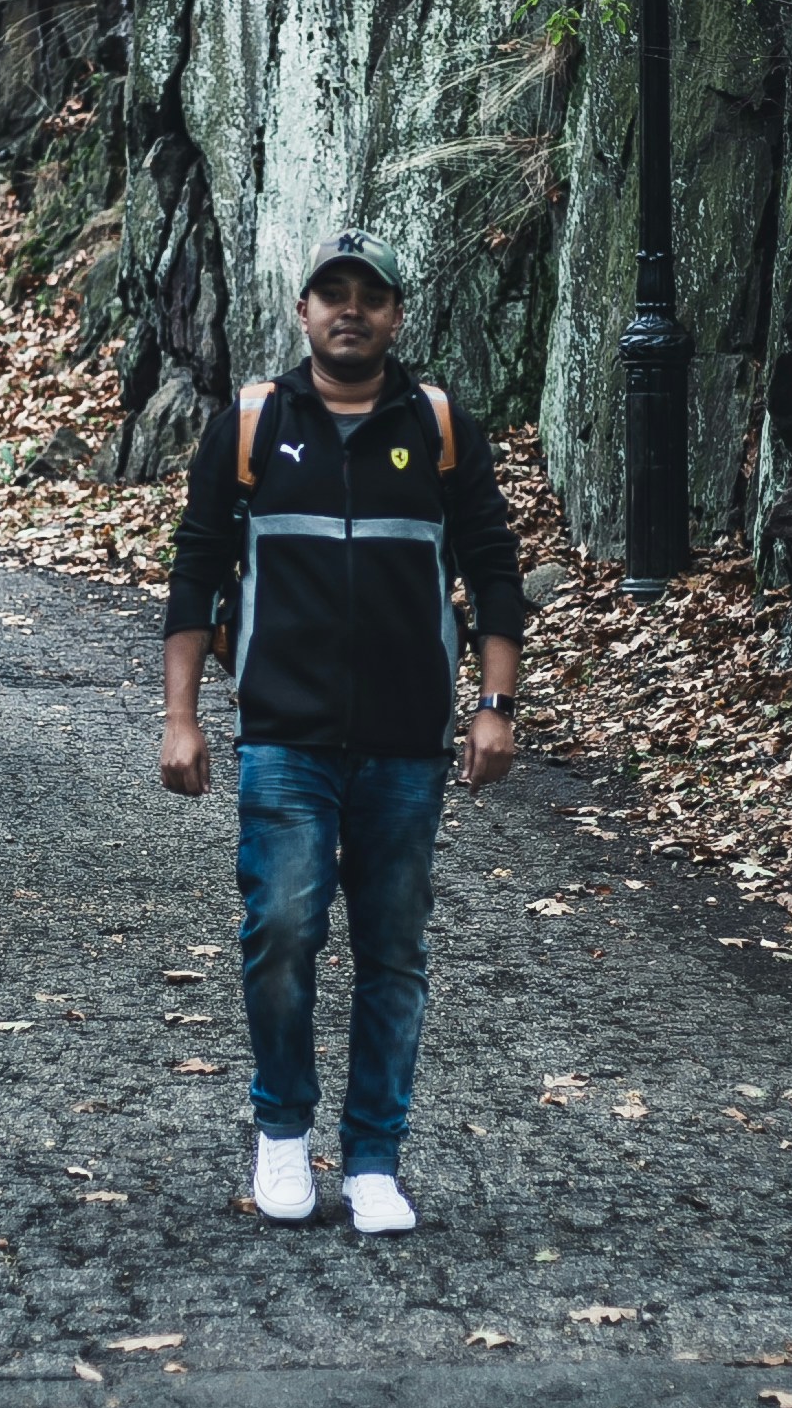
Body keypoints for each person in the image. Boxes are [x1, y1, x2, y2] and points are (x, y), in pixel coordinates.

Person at [158, 226, 526, 1235]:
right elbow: (196, 570)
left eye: (369, 295)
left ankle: (373, 1160)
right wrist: (181, 718)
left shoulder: (441, 426)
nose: (350, 310)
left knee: (392, 952)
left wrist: (493, 706)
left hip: (408, 745)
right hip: (286, 738)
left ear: (397, 314)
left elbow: (495, 568)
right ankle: (283, 1135)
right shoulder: (250, 425)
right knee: (281, 931)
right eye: (333, 294)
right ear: (303, 311)